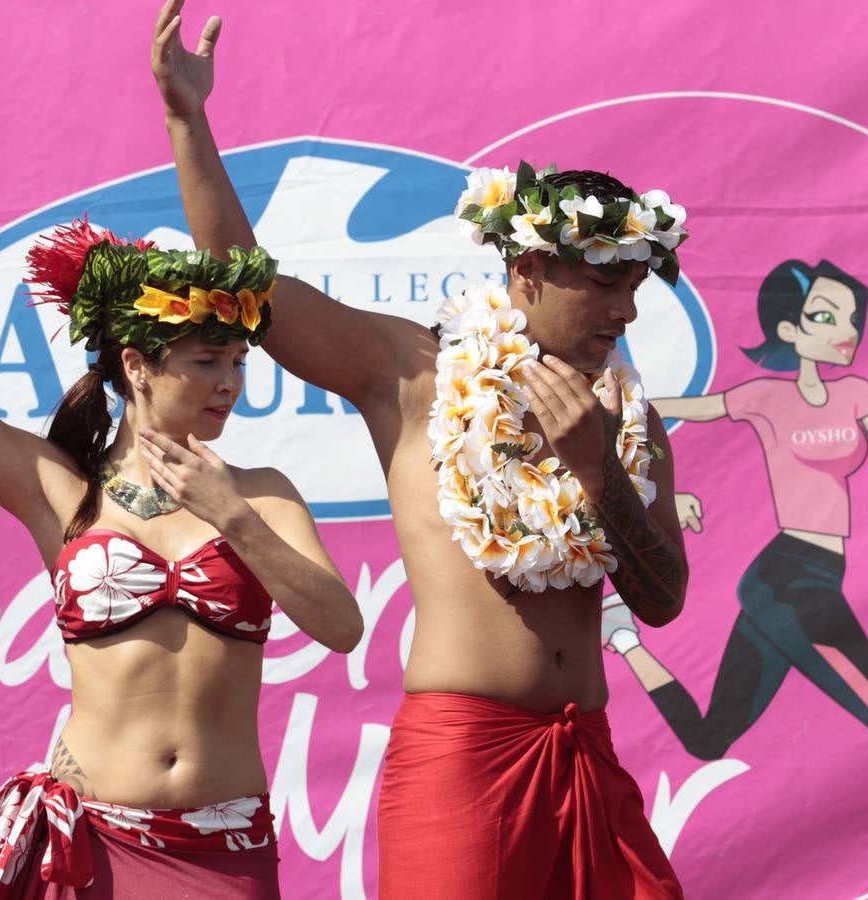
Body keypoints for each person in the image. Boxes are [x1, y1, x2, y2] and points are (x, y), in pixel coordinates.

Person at [149, 3, 688, 896]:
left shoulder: (627, 421)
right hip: (463, 756)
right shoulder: (412, 373)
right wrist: (186, 122)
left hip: (583, 748)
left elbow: (661, 600)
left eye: (634, 287)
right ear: (526, 270)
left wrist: (597, 471)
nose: (624, 311)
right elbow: (245, 279)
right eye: (602, 283)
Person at [0, 95, 362, 899]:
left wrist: (232, 518)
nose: (228, 384)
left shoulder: (261, 494)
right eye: (206, 362)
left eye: (237, 364)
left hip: (223, 848)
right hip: (92, 847)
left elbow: (339, 626)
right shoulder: (61, 492)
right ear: (138, 364)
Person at [602, 258, 868, 858]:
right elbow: (669, 409)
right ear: (789, 331)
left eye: (851, 319)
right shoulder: (764, 396)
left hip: (804, 579)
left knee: (709, 739)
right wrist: (644, 470)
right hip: (789, 579)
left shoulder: (858, 393)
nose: (846, 330)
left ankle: (622, 638)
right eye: (825, 316)